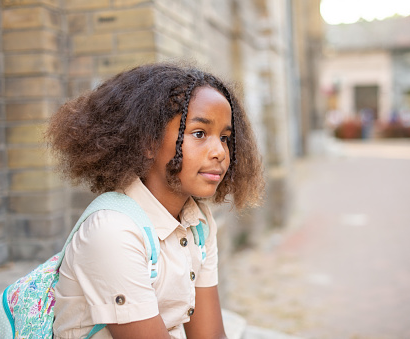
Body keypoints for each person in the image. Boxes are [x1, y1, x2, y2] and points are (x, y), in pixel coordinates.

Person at [45, 62, 264, 339]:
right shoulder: (112, 231)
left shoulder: (199, 224)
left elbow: (209, 336)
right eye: (199, 133)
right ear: (148, 142)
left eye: (224, 138)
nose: (220, 151)